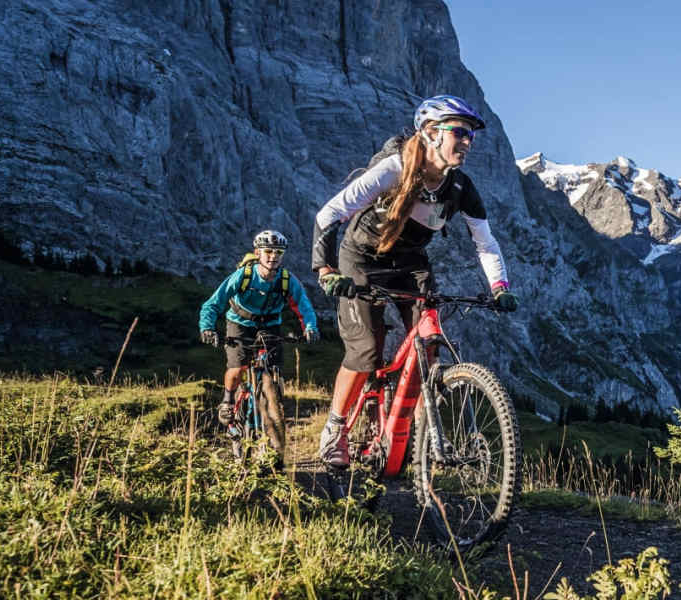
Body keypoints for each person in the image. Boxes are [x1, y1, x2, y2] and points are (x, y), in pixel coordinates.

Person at [311, 94, 518, 468]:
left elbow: (485, 243)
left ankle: (421, 433)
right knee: (366, 352)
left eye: (471, 135)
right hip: (362, 259)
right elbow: (330, 214)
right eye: (460, 132)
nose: (468, 142)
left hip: (410, 263)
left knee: (430, 339)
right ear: (430, 133)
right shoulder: (392, 169)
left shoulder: (460, 187)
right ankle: (336, 428)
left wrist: (500, 288)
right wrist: (326, 271)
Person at [199, 229, 320, 458]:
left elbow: (303, 306)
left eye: (278, 252)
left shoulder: (286, 280)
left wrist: (310, 328)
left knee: (275, 373)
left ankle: (273, 410)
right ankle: (227, 402)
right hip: (239, 322)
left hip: (270, 325)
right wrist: (207, 327)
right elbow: (213, 303)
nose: (273, 256)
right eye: (268, 251)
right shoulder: (243, 276)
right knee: (236, 368)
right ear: (258, 253)